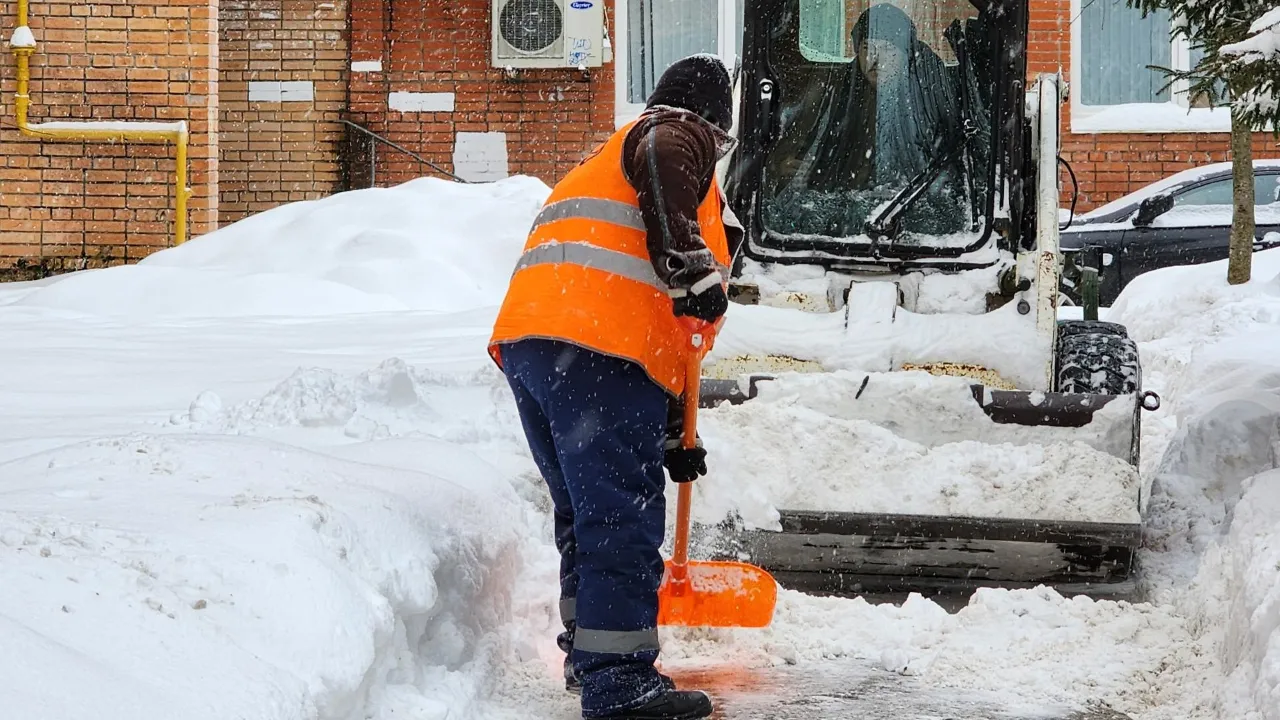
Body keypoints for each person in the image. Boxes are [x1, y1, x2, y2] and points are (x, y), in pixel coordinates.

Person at [487, 54, 742, 720]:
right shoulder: (671, 135)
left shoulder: (605, 167)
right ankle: (619, 683)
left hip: (538, 346)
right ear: (716, 129)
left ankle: (589, 654)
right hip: (598, 347)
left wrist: (672, 432)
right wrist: (692, 270)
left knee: (586, 513)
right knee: (620, 519)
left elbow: (676, 339)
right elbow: (666, 160)